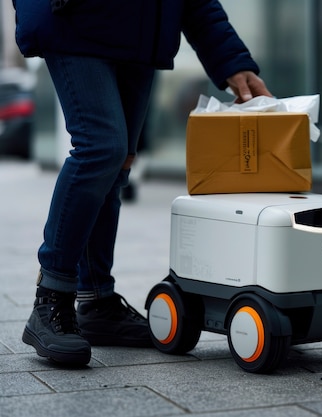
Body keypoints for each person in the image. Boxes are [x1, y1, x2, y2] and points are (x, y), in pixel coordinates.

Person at [13, 0, 272, 366]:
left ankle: (96, 301)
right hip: (75, 17)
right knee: (101, 148)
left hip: (141, 30)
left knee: (117, 166)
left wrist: (232, 59)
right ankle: (51, 298)